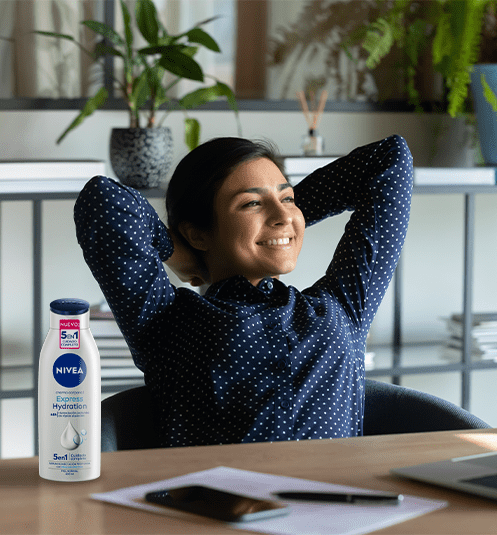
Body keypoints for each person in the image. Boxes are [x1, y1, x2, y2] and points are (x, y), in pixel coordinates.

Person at [74, 134, 413, 447]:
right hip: (215, 508)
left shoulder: (343, 304)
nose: (283, 213)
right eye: (250, 204)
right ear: (197, 233)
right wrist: (177, 251)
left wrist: (285, 218)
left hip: (340, 506)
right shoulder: (165, 321)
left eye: (288, 198)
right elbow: (103, 200)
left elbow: (391, 159)